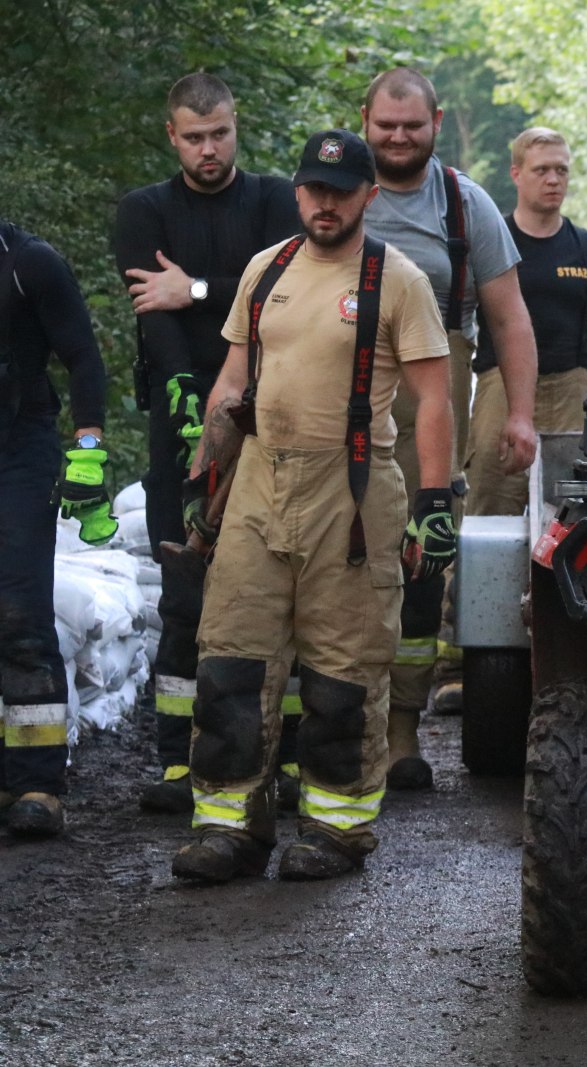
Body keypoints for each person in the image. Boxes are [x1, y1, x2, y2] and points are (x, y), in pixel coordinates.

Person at [170, 129, 454, 883]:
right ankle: (229, 826)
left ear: (367, 194)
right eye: (313, 190)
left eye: (340, 190)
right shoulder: (267, 271)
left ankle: (335, 829)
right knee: (230, 656)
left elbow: (432, 399)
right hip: (260, 482)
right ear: (298, 193)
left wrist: (434, 502)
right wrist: (206, 478)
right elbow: (233, 384)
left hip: (354, 492)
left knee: (342, 672)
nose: (325, 203)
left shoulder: (400, 280)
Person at [114, 72, 302, 814]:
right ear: (171, 136)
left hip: (271, 411)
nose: (208, 149)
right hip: (179, 412)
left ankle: (279, 757)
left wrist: (192, 289)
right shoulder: (143, 210)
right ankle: (175, 759)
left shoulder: (274, 199)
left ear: (235, 125)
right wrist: (189, 394)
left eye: (219, 133)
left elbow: (282, 294)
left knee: (276, 587)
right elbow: (150, 312)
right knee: (183, 587)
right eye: (193, 138)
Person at [361, 67, 538, 789]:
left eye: (412, 125)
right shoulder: (335, 194)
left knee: (419, 569)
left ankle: (402, 734)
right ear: (364, 121)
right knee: (335, 573)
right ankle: (335, 736)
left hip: (427, 415)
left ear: (436, 120)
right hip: (335, 413)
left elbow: (509, 317)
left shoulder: (465, 205)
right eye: (386, 125)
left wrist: (521, 412)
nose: (398, 138)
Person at [0, 219, 116, 839]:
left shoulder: (29, 263)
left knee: (16, 612)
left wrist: (88, 445)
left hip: (20, 450)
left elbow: (81, 358)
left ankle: (37, 782)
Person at [465, 127, 587, 518]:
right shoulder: (492, 242)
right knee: (490, 508)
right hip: (500, 387)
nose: (553, 180)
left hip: (571, 391)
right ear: (516, 173)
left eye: (561, 170)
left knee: (574, 510)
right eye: (542, 170)